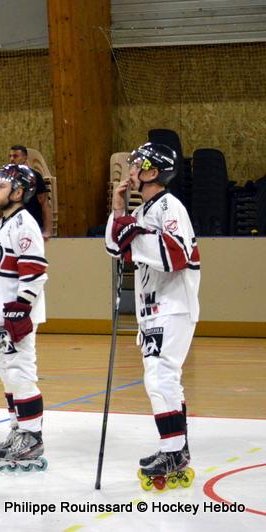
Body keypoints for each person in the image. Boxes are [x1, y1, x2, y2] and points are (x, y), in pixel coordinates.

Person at [105, 142, 199, 485]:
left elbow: (176, 255)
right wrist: (120, 209)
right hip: (153, 311)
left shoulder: (170, 206)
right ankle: (177, 447)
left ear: (153, 172)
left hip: (173, 306)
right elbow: (114, 246)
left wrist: (135, 234)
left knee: (160, 378)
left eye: (136, 165)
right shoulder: (143, 209)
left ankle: (173, 451)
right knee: (163, 379)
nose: (130, 169)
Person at [0, 164, 48, 471]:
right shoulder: (3, 224)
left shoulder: (24, 224)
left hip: (16, 314)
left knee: (21, 370)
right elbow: (0, 272)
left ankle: (32, 436)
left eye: (2, 187)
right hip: (2, 313)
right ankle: (17, 428)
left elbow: (35, 269)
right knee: (7, 372)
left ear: (19, 193)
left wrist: (22, 304)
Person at [8, 145, 53, 241]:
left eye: (15, 156)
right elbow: (0, 208)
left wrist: (48, 231)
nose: (11, 159)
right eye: (10, 156)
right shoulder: (7, 179)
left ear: (24, 158)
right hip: (13, 227)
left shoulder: (35, 177)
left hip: (33, 226)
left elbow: (45, 204)